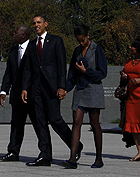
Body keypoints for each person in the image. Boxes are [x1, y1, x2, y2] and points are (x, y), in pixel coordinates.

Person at [21, 16, 81, 167]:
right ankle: (45, 155)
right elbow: (28, 68)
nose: (36, 25)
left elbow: (62, 64)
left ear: (46, 24)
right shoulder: (32, 44)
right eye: (34, 23)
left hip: (52, 86)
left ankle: (75, 145)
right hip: (36, 88)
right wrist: (24, 88)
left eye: (39, 22)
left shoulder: (56, 40)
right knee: (40, 122)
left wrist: (62, 86)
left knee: (54, 119)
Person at [62, 24, 107, 169]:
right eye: (79, 40)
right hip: (80, 90)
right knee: (76, 122)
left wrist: (86, 71)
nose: (81, 43)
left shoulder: (97, 50)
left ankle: (99, 158)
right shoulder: (77, 51)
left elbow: (102, 73)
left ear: (88, 36)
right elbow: (72, 74)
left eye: (83, 40)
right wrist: (65, 89)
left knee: (95, 124)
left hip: (94, 89)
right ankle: (72, 158)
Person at [0, 25, 31, 162]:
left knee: (40, 125)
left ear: (23, 35)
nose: (13, 34)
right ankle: (13, 152)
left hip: (32, 94)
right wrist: (4, 90)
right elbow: (9, 73)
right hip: (17, 95)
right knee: (16, 123)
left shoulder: (34, 48)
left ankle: (46, 153)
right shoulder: (13, 51)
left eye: (15, 32)